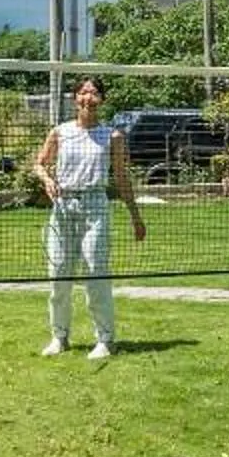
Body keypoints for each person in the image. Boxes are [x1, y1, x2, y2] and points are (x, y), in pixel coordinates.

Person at [32, 79, 147, 361]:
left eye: (94, 93)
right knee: (59, 274)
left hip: (95, 205)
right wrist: (47, 180)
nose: (88, 97)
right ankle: (59, 337)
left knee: (96, 272)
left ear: (101, 100)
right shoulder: (60, 132)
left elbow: (121, 178)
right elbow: (39, 164)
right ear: (75, 99)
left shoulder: (113, 136)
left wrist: (135, 217)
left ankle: (105, 339)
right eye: (83, 92)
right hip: (63, 206)